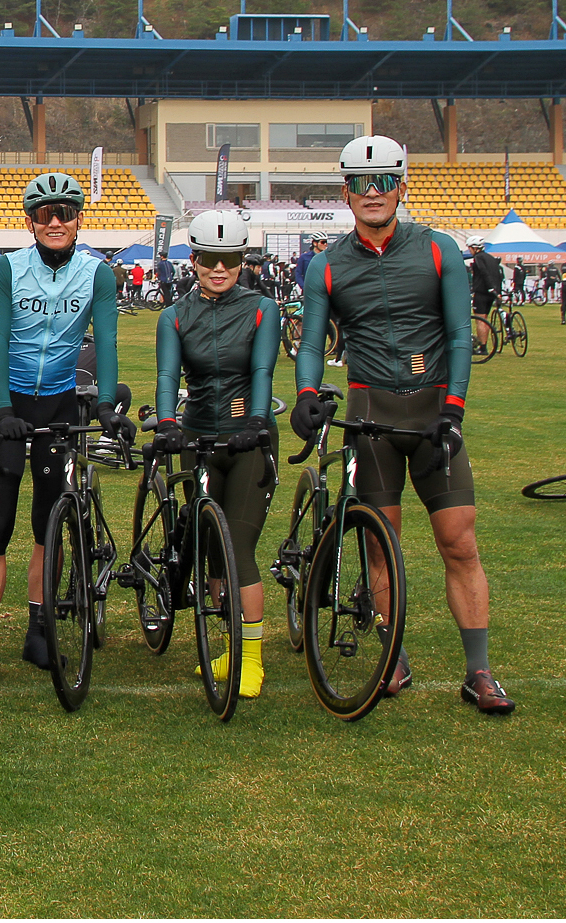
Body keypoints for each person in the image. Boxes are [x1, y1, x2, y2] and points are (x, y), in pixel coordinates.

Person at [292, 135, 513, 715]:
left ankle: (479, 671)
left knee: (459, 541)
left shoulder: (438, 249)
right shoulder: (326, 265)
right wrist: (307, 393)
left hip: (434, 414)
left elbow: (460, 335)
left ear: (401, 188)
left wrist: (454, 408)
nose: (374, 193)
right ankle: (393, 656)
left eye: (384, 181)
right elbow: (312, 342)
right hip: (371, 417)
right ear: (346, 193)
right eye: (361, 184)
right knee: (380, 545)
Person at [0, 172, 130, 684]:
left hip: (59, 405)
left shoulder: (97, 273)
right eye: (44, 214)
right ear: (30, 222)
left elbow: (106, 341)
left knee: (47, 525)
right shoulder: (6, 268)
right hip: (10, 403)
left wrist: (105, 404)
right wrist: (1, 410)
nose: (54, 222)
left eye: (64, 213)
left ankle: (38, 630)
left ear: (79, 219)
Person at [154, 211, 280, 697]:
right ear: (194, 260)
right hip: (199, 437)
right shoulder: (174, 316)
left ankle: (252, 658)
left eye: (229, 259)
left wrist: (256, 421)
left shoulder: (261, 309)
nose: (219, 269)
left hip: (248, 439)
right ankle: (227, 647)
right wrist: (168, 423)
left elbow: (263, 370)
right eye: (209, 259)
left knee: (239, 549)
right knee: (210, 548)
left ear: (242, 260)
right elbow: (168, 376)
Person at [465, 234, 502, 352]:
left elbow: (484, 272)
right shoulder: (491, 258)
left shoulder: (478, 258)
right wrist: (497, 291)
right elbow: (498, 275)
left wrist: (490, 287)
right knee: (485, 319)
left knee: (480, 320)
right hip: (491, 293)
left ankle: (482, 347)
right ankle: (483, 346)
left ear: (475, 248)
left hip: (482, 292)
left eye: (470, 248)